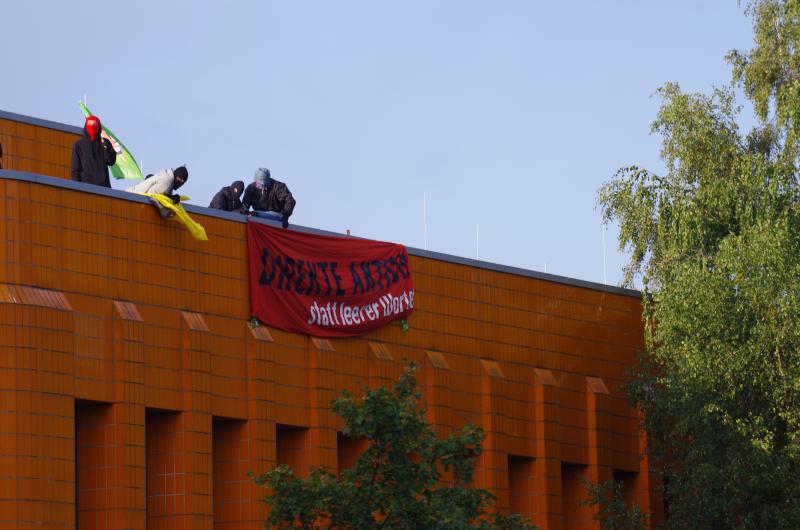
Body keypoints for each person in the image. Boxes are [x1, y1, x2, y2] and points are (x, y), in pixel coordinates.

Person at [70, 115, 116, 187]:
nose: (92, 126)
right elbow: (75, 170)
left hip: (104, 188)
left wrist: (107, 147)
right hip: (86, 188)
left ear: (99, 126)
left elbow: (111, 161)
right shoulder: (79, 145)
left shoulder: (104, 143)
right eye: (90, 124)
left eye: (94, 124)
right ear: (86, 126)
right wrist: (78, 188)